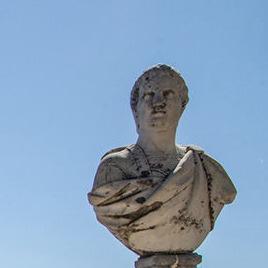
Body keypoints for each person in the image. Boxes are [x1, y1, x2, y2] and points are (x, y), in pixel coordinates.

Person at [88, 64, 235, 255]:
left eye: (168, 94)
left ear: (181, 106)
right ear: (136, 110)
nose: (158, 102)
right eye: (149, 95)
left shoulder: (205, 169)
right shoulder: (115, 169)